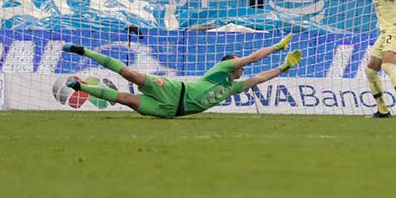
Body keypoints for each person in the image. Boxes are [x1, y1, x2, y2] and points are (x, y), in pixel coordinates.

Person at [62, 37, 303, 118]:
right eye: (237, 63)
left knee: (125, 99)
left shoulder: (233, 87)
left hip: (169, 111)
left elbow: (261, 77)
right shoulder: (221, 70)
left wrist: (283, 68)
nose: (242, 68)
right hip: (174, 90)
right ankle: (83, 51)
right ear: (231, 65)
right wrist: (277, 47)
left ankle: (80, 87)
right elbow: (252, 59)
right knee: (130, 74)